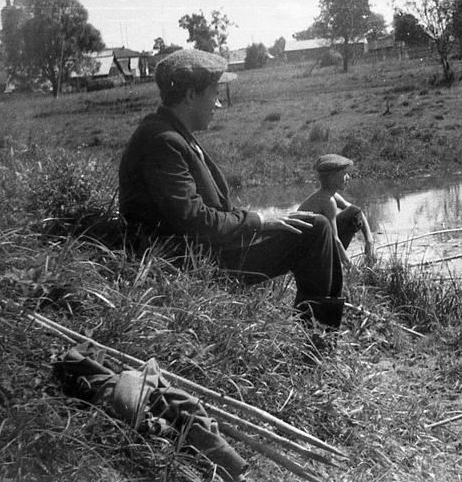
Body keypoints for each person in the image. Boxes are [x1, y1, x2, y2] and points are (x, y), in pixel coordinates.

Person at [118, 48, 345, 328]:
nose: (218, 104)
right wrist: (260, 220)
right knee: (316, 230)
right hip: (192, 262)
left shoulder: (170, 132)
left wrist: (268, 217)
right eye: (214, 93)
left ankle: (322, 326)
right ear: (190, 95)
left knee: (309, 223)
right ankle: (319, 335)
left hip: (204, 249)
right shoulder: (163, 141)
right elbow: (194, 220)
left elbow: (203, 213)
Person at [298, 154, 375, 269]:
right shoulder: (327, 201)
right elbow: (335, 239)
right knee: (351, 216)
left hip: (317, 245)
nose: (348, 177)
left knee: (353, 213)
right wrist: (351, 267)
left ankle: (333, 263)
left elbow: (357, 211)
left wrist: (369, 240)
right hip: (307, 254)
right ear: (331, 177)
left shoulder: (330, 195)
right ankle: (331, 266)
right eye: (344, 174)